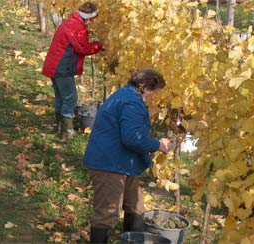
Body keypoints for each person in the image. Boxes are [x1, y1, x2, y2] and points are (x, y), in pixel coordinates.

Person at [83, 69, 173, 243]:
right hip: (108, 164)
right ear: (144, 87)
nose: (153, 96)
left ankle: (132, 240)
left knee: (136, 205)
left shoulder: (125, 94)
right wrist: (158, 145)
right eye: (153, 92)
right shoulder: (131, 102)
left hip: (123, 161)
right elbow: (132, 138)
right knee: (108, 212)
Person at [41, 1, 103, 139]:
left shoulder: (71, 23)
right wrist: (99, 45)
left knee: (61, 98)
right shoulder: (76, 28)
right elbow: (84, 49)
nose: (92, 23)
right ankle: (67, 131)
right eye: (92, 20)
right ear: (88, 17)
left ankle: (60, 128)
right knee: (70, 99)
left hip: (55, 66)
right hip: (62, 68)